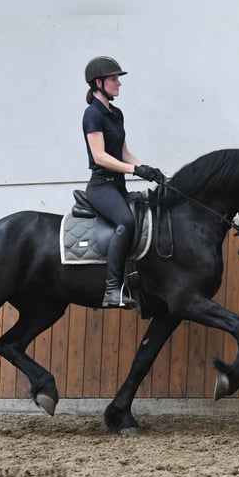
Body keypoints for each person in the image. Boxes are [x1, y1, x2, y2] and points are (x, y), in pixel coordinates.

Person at [82, 56, 165, 308]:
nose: (119, 83)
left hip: (117, 185)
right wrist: (135, 170)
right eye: (114, 78)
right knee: (126, 221)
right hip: (101, 186)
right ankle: (111, 290)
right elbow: (100, 156)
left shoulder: (115, 113)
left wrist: (145, 168)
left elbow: (123, 152)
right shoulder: (92, 114)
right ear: (99, 82)